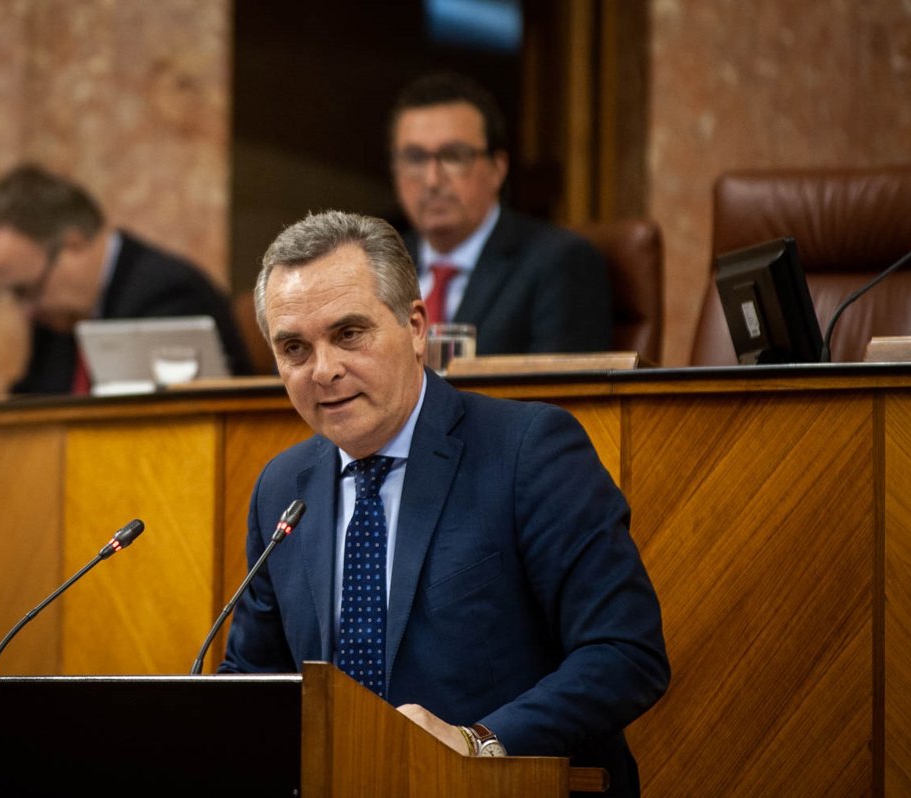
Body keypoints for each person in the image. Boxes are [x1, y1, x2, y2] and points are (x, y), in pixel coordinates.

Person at [220, 210, 668, 795]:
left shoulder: (528, 451)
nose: (324, 370)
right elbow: (254, 681)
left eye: (349, 334)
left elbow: (626, 652)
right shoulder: (282, 488)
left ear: (414, 328)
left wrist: (478, 742)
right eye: (295, 348)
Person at [0, 163, 252, 393]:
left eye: (26, 290)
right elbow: (35, 403)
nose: (26, 311)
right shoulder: (57, 317)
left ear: (73, 244)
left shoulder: (169, 293)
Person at [389, 72, 613, 353]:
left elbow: (562, 381)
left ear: (498, 168)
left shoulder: (560, 263)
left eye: (454, 156)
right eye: (415, 158)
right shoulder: (378, 267)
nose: (432, 179)